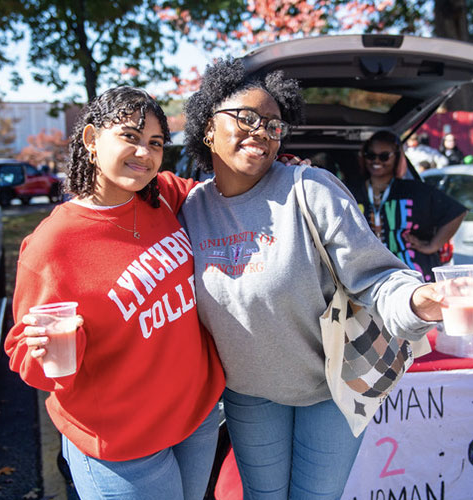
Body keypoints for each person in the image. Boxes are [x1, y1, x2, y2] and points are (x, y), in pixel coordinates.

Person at [178, 58, 447, 500]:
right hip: (248, 394)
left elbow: (377, 277)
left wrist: (421, 300)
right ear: (208, 128)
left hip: (331, 390)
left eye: (273, 125)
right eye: (247, 118)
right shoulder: (188, 208)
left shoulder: (311, 189)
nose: (262, 131)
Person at [4, 86, 225, 499]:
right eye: (130, 137)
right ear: (91, 140)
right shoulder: (52, 245)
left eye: (155, 144)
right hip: (121, 446)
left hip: (197, 416)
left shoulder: (162, 196)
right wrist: (44, 347)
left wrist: (281, 170)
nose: (144, 153)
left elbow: (227, 193)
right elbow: (27, 355)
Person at [349, 130, 467, 282]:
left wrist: (432, 246)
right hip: (368, 277)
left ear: (397, 158)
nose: (376, 161)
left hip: (414, 276)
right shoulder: (350, 192)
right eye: (371, 155)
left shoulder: (414, 190)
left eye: (384, 156)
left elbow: (456, 213)